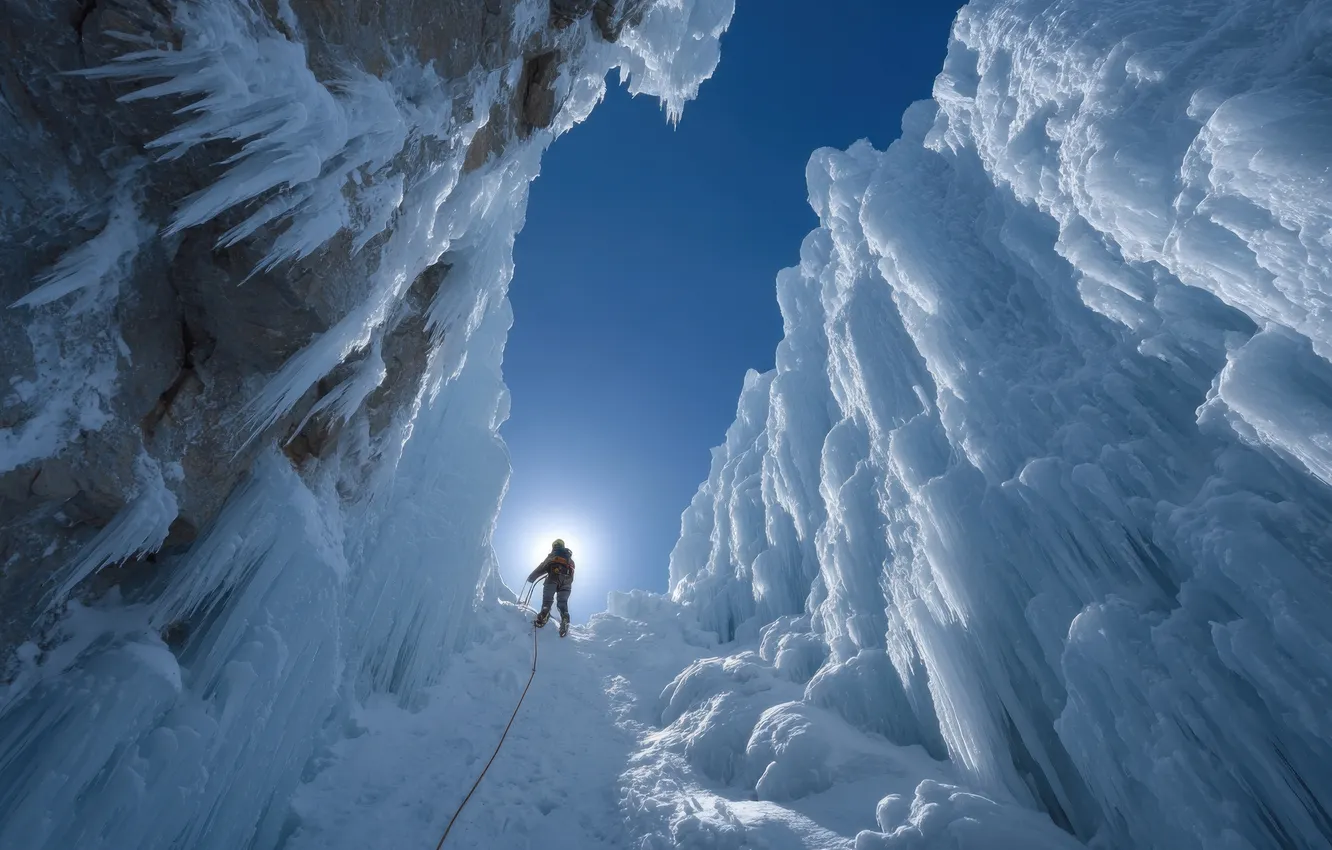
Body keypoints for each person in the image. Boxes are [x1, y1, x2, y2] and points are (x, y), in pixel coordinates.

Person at [527, 539, 575, 637]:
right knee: (562, 602)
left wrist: (531, 578)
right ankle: (565, 616)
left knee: (548, 600)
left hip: (553, 578)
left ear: (555, 546)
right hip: (567, 583)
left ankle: (544, 613)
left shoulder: (554, 554)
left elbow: (542, 566)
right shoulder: (570, 559)